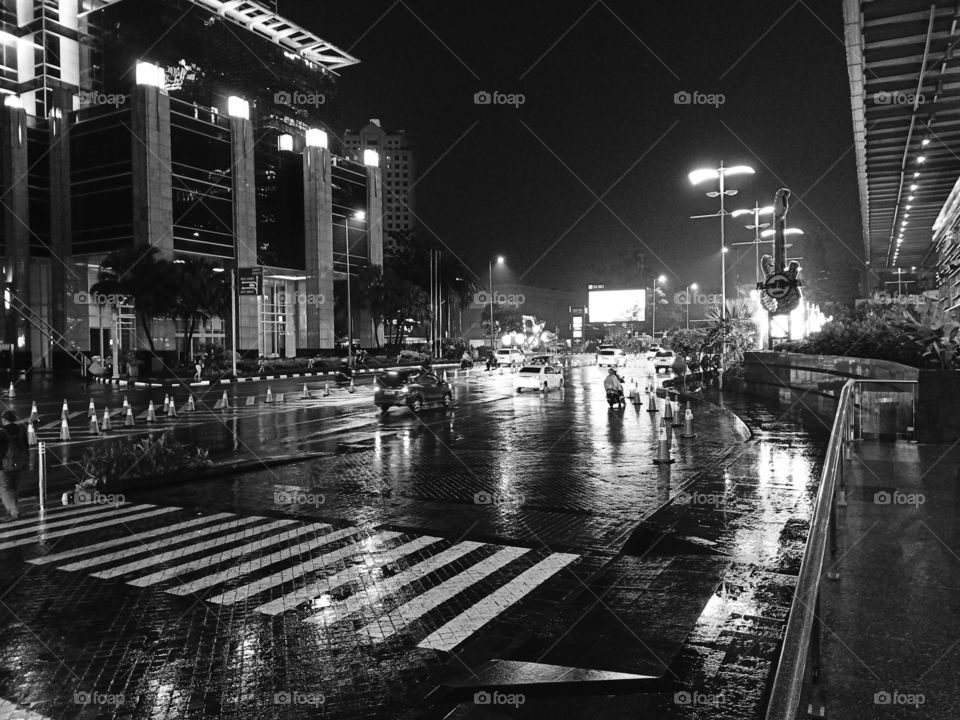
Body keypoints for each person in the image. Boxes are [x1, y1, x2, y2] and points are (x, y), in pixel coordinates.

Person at [0, 410, 27, 521]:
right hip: (19, 463)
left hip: (5, 464)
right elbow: (26, 445)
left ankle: (14, 511)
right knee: (15, 487)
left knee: (5, 488)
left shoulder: (2, 432)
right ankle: (12, 510)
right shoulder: (21, 429)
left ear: (4, 420)